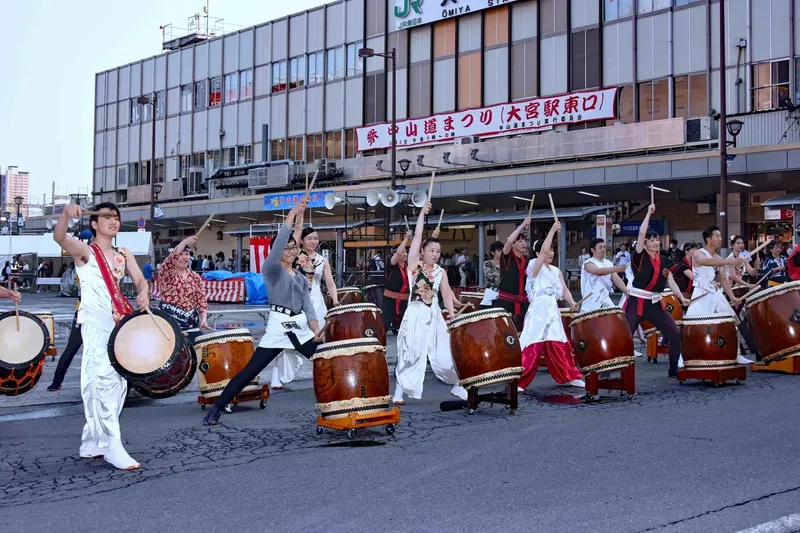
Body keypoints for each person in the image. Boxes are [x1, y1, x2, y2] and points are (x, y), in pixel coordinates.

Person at [203, 195, 323, 426]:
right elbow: (281, 240)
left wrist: (316, 329)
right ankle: (218, 407)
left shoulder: (298, 276)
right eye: (286, 248)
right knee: (251, 369)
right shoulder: (271, 270)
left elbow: (307, 306)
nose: (290, 250)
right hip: (279, 325)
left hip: (299, 327)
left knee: (325, 359)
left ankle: (339, 400)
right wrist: (293, 212)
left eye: (293, 247)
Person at [54, 202, 149, 470]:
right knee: (105, 382)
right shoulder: (85, 252)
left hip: (117, 324)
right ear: (94, 223)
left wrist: (143, 292)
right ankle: (113, 445)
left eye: (116, 217)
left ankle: (92, 439)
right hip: (95, 325)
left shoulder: (124, 254)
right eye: (107, 217)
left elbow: (141, 279)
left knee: (109, 383)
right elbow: (59, 237)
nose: (113, 221)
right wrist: (64, 214)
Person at [393, 202, 466, 404]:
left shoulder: (441, 272)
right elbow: (416, 238)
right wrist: (423, 215)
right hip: (415, 313)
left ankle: (458, 385)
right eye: (432, 250)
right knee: (410, 353)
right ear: (423, 251)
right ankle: (399, 391)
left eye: (438, 251)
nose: (435, 254)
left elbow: (447, 293)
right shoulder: (414, 266)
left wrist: (451, 314)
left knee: (444, 353)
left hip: (434, 314)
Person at [269, 221, 340, 390]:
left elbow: (329, 282)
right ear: (301, 241)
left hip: (316, 300)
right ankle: (276, 376)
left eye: (316, 238)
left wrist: (336, 300)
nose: (313, 241)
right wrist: (299, 215)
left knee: (319, 339)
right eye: (309, 238)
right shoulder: (294, 256)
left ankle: (322, 375)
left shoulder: (323, 260)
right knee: (287, 337)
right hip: (295, 300)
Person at [624, 204, 689, 377]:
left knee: (675, 334)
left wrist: (681, 298)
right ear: (644, 244)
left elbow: (671, 280)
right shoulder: (639, 256)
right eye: (651, 240)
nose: (655, 242)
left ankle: (674, 369)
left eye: (656, 240)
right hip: (636, 302)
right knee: (624, 337)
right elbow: (641, 233)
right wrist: (648, 214)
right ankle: (617, 371)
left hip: (655, 304)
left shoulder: (665, 260)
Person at [518, 222, 584, 391]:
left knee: (559, 344)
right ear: (539, 253)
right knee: (532, 345)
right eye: (547, 250)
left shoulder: (556, 270)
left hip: (552, 310)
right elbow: (544, 251)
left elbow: (564, 289)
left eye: (553, 250)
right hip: (538, 309)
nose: (550, 253)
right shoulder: (534, 265)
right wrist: (553, 231)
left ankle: (570, 376)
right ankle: (519, 381)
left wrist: (572, 302)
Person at [683, 226, 755, 366]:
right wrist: (730, 262)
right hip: (701, 294)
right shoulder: (699, 253)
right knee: (694, 328)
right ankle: (685, 357)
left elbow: (723, 279)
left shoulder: (717, 257)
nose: (720, 239)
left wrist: (732, 297)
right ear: (709, 239)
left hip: (715, 294)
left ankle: (736, 354)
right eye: (717, 236)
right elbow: (706, 262)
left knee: (732, 322)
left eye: (721, 236)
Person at [157, 237, 209, 344]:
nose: (184, 257)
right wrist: (185, 242)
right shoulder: (166, 273)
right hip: (170, 328)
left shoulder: (195, 276)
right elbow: (172, 259)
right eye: (181, 254)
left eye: (186, 254)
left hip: (192, 326)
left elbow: (201, 299)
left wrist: (204, 318)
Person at [47, 274, 83, 391]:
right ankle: (57, 381)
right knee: (71, 348)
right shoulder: (84, 267)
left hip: (102, 313)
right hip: (83, 313)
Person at [496, 218, 531, 329]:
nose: (524, 243)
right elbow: (509, 241)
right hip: (507, 301)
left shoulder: (526, 260)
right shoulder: (507, 256)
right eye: (520, 241)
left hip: (523, 302)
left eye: (524, 241)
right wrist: (522, 225)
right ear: (514, 244)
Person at [580, 238, 629, 312]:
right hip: (591, 300)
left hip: (605, 298)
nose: (603, 249)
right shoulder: (588, 263)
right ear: (593, 250)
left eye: (604, 247)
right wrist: (617, 268)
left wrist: (626, 292)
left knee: (614, 317)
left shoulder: (608, 263)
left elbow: (616, 279)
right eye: (600, 247)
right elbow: (599, 272)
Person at [382, 231, 413, 335]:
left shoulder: (409, 266)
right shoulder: (391, 264)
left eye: (406, 252)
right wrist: (405, 239)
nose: (404, 254)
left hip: (405, 300)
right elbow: (398, 253)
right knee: (384, 324)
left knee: (409, 325)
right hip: (390, 300)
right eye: (402, 252)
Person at [480, 241, 504, 308]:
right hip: (491, 293)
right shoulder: (487, 264)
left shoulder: (506, 264)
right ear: (492, 252)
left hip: (504, 294)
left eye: (503, 250)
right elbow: (495, 278)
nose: (502, 252)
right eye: (499, 250)